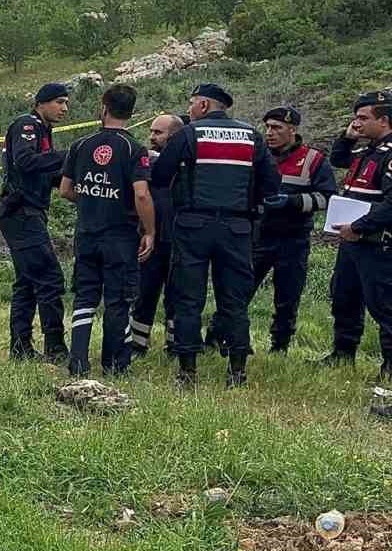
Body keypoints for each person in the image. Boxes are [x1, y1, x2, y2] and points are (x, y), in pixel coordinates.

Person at [150, 83, 280, 386]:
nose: (190, 109)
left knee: (188, 299)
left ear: (205, 106)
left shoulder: (189, 133)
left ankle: (187, 372)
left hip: (193, 225)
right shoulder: (251, 136)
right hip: (237, 228)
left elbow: (159, 175)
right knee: (234, 300)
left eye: (193, 103)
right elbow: (271, 185)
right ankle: (237, 372)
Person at [59, 84, 154, 377]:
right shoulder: (134, 149)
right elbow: (141, 195)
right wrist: (149, 231)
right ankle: (115, 366)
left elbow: (65, 190)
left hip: (86, 233)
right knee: (118, 299)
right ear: (131, 111)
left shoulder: (81, 144)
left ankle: (77, 362)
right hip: (121, 236)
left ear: (103, 107)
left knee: (85, 296)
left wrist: (90, 198)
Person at [0, 83, 71, 362]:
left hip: (29, 211)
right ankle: (56, 348)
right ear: (41, 103)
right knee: (50, 277)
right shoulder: (27, 125)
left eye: (66, 103)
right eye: (59, 102)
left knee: (27, 281)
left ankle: (20, 347)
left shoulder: (43, 130)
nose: (64, 108)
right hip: (21, 212)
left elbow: (43, 173)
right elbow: (26, 161)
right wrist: (69, 155)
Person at [320, 90, 392, 378]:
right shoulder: (368, 150)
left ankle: (389, 365)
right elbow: (338, 159)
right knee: (344, 296)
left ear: (384, 120)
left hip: (376, 243)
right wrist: (349, 135)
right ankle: (342, 353)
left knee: (383, 304)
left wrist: (359, 227)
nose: (357, 123)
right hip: (351, 242)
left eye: (363, 118)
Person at [253, 107, 336, 354]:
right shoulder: (257, 156)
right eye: (267, 126)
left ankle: (280, 346)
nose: (270, 133)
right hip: (258, 235)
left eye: (277, 128)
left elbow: (328, 198)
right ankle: (220, 337)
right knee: (239, 289)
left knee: (288, 296)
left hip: (293, 238)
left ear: (292, 129)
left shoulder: (313, 159)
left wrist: (294, 202)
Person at [129, 114, 182, 359]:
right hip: (150, 239)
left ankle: (175, 346)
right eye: (151, 131)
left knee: (177, 296)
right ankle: (137, 345)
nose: (151, 137)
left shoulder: (187, 162)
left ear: (174, 136)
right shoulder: (145, 161)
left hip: (180, 240)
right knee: (144, 293)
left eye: (158, 133)